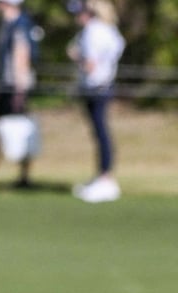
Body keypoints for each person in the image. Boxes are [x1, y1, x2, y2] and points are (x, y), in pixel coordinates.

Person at [0, 0, 39, 188]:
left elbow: (22, 55)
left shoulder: (20, 25)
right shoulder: (9, 24)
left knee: (18, 131)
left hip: (14, 87)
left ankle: (23, 177)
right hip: (6, 85)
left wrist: (19, 90)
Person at [67, 0, 124, 203]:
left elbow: (90, 65)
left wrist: (76, 57)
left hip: (96, 88)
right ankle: (103, 177)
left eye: (80, 13)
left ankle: (105, 178)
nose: (77, 17)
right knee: (100, 134)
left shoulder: (93, 31)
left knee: (101, 133)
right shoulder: (109, 30)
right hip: (105, 86)